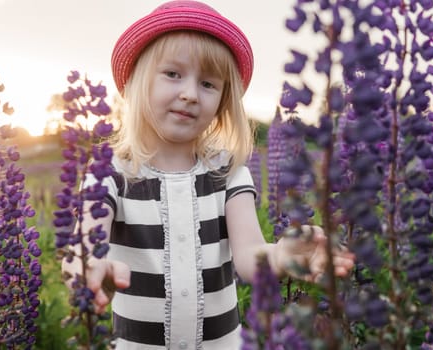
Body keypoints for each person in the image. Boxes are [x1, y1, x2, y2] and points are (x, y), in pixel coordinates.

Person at [62, 1, 355, 349]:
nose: (189, 93)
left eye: (207, 83)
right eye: (173, 74)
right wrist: (89, 268)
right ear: (138, 81)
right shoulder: (107, 172)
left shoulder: (228, 172)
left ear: (222, 101)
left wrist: (281, 256)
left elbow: (249, 256)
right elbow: (82, 244)